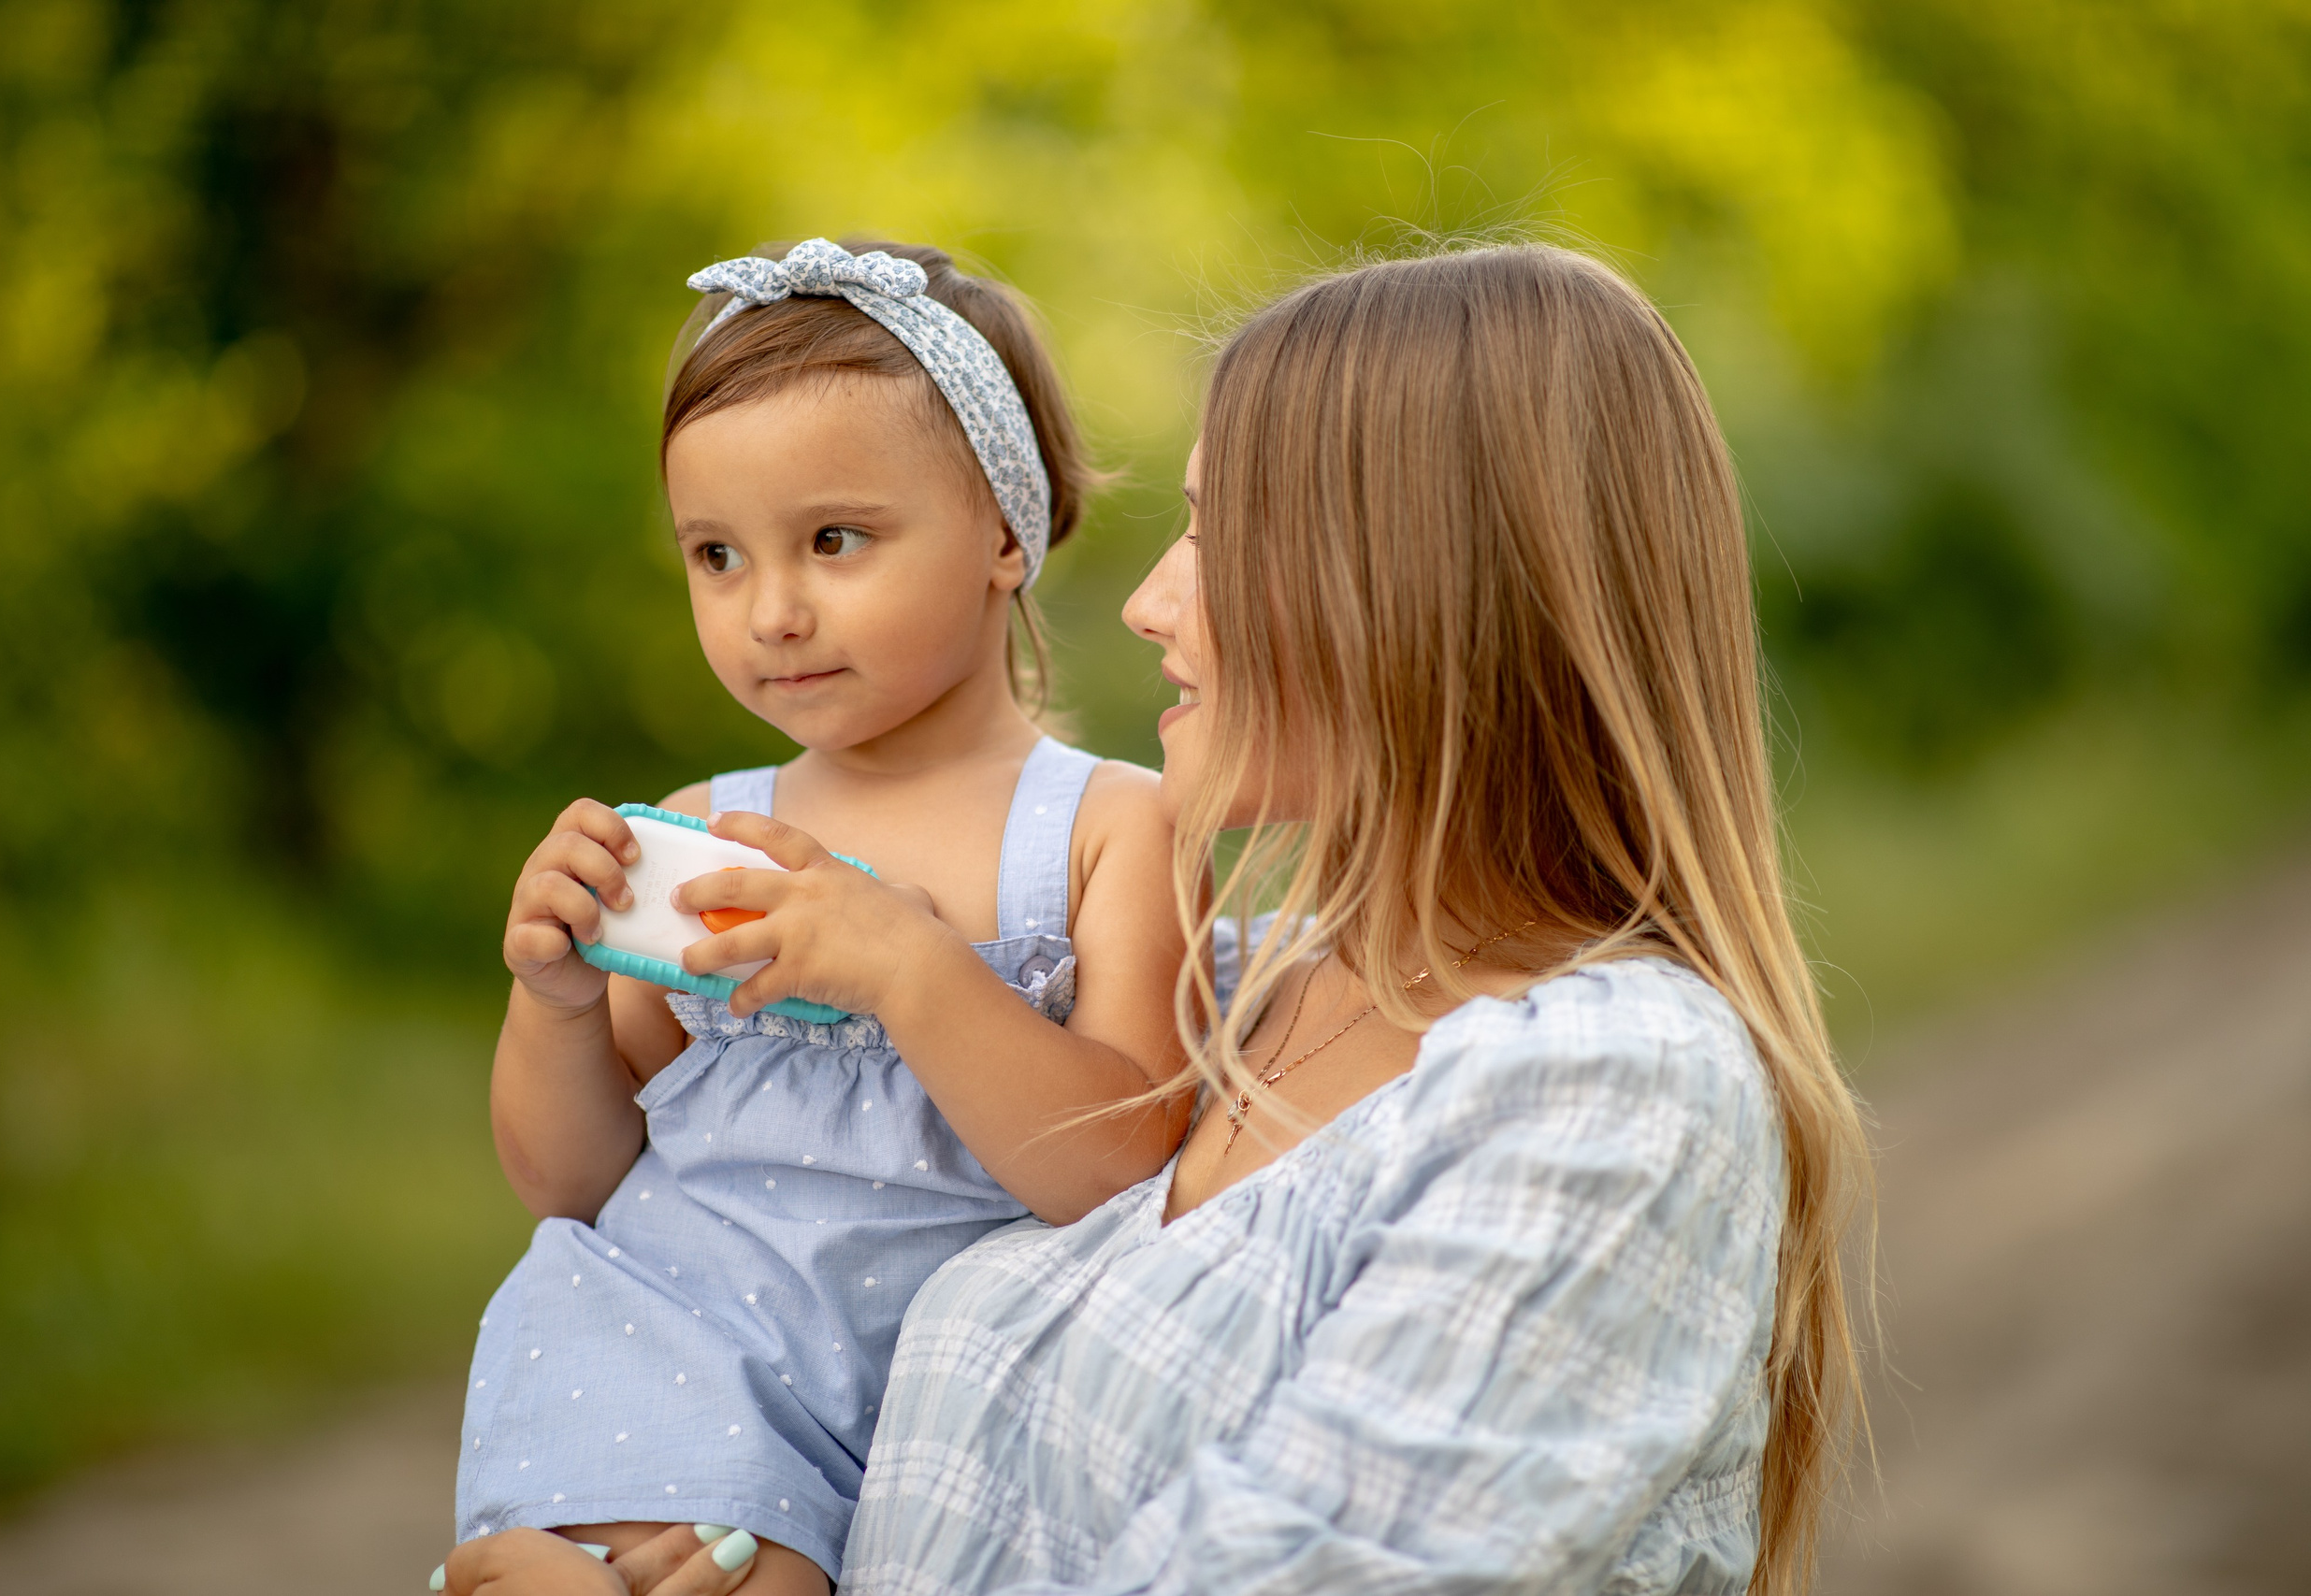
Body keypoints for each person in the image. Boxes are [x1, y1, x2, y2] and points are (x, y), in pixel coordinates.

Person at [442, 242, 1870, 1596]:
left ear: (1422, 590)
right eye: (716, 556)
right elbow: (609, 1189)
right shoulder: (1260, 988)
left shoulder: (1604, 1089)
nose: (1140, 599)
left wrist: (920, 974)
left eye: (1218, 529)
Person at [449, 239, 1188, 1596]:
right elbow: (577, 1184)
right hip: (659, 1353)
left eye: (834, 541)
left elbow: (1122, 1168)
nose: (772, 613)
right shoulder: (700, 828)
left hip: (900, 1409)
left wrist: (915, 971)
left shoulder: (1102, 825)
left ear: (1005, 534)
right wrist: (553, 1003)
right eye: (717, 556)